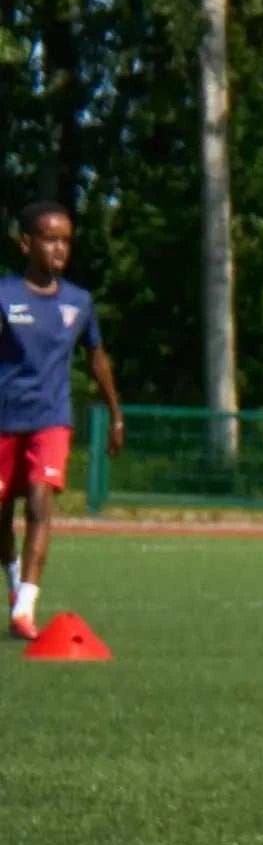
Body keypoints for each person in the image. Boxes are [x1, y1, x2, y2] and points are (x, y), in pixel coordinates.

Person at [1, 197, 124, 642]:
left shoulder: (79, 302)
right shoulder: (4, 295)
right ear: (26, 243)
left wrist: (115, 413)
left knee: (39, 503)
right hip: (3, 420)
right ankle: (16, 582)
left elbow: (97, 357)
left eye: (66, 241)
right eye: (50, 239)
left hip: (51, 419)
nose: (59, 249)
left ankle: (25, 606)